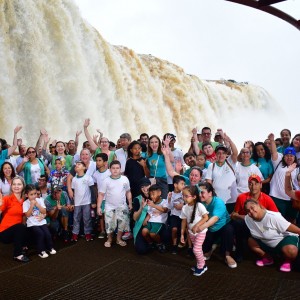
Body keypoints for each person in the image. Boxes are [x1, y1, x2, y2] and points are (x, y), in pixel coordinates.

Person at [231, 174, 279, 262]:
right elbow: (234, 214)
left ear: (261, 185)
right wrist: (237, 216)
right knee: (237, 224)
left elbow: (276, 215)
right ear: (248, 185)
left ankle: (267, 252)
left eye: (256, 183)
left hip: (261, 226)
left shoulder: (267, 198)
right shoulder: (241, 197)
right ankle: (239, 252)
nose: (253, 186)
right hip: (245, 225)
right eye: (250, 184)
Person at [244, 199, 300, 272]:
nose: (251, 211)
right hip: (267, 241)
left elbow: (294, 229)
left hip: (283, 239)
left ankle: (287, 261)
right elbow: (263, 228)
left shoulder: (273, 217)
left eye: (252, 207)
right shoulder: (248, 218)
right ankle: (267, 258)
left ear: (259, 205)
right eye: (248, 210)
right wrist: (236, 215)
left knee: (291, 251)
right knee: (251, 241)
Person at [197, 182, 237, 268]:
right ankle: (211, 248)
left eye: (202, 192)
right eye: (199, 192)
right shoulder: (200, 203)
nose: (200, 195)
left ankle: (227, 255)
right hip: (210, 229)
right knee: (204, 249)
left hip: (223, 226)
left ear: (210, 193)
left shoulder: (218, 202)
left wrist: (201, 227)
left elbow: (215, 218)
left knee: (228, 229)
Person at [97, 160, 132, 247]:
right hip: (109, 206)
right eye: (113, 168)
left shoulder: (125, 179)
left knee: (122, 223)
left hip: (122, 206)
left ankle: (118, 239)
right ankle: (109, 239)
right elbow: (101, 194)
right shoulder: (106, 181)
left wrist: (130, 203)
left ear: (120, 169)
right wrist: (98, 207)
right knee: (109, 224)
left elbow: (128, 192)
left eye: (117, 168)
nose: (115, 170)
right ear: (109, 169)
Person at [268, 133, 299, 222]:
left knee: (289, 221)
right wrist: (272, 140)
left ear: (294, 157)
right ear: (284, 156)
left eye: (292, 156)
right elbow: (274, 152)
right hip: (276, 198)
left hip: (290, 200)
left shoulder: (296, 168)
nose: (289, 158)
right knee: (276, 221)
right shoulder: (278, 162)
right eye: (287, 156)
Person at [180, 185, 209, 276]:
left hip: (201, 232)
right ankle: (200, 265)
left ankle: (201, 266)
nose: (184, 198)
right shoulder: (185, 207)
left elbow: (206, 217)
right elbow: (184, 221)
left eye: (186, 196)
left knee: (196, 250)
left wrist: (197, 226)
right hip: (191, 233)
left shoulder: (199, 205)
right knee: (198, 249)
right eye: (183, 195)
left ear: (194, 196)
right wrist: (182, 234)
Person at [0, 176, 29, 262]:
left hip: (17, 231)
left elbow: (25, 217)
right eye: (14, 184)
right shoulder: (6, 199)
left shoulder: (24, 201)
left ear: (23, 186)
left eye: (19, 184)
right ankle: (17, 255)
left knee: (29, 228)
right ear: (11, 186)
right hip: (4, 233)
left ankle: (23, 245)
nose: (16, 186)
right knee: (20, 227)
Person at [206, 137, 238, 214]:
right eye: (219, 153)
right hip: (218, 200)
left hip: (232, 200)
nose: (221, 155)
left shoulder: (230, 162)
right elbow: (208, 182)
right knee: (219, 220)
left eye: (223, 153)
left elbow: (235, 153)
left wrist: (230, 141)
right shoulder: (211, 166)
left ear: (226, 154)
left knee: (231, 220)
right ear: (215, 154)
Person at [22, 184, 56, 258]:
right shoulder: (25, 203)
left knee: (47, 234)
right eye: (31, 194)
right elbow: (27, 215)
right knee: (40, 234)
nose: (34, 196)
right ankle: (41, 251)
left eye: (35, 194)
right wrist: (31, 206)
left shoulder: (40, 200)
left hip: (41, 221)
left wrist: (37, 204)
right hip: (32, 223)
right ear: (26, 195)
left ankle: (50, 248)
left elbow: (44, 211)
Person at [71, 161, 95, 242]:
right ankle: (75, 234)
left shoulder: (88, 177)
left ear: (84, 168)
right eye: (76, 164)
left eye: (79, 164)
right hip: (77, 203)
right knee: (76, 218)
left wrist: (93, 201)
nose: (76, 165)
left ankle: (88, 234)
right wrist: (72, 203)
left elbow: (92, 190)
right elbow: (73, 192)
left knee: (87, 218)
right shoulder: (74, 179)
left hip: (86, 202)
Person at [141, 184, 169, 253]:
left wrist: (154, 205)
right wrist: (146, 219)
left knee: (152, 234)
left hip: (159, 222)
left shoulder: (164, 201)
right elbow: (150, 213)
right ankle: (151, 243)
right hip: (151, 221)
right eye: (150, 194)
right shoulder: (151, 203)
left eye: (153, 194)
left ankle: (160, 244)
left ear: (159, 193)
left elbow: (165, 210)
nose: (152, 196)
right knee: (144, 232)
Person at [93, 153, 111, 238]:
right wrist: (97, 197)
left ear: (105, 162)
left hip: (109, 198)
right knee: (101, 215)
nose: (97, 162)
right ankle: (102, 230)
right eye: (96, 160)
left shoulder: (109, 173)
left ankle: (109, 231)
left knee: (109, 215)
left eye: (100, 160)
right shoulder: (95, 174)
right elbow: (96, 186)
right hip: (101, 198)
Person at [132, 178, 151, 254]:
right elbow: (135, 218)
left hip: (154, 223)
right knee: (141, 250)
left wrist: (148, 217)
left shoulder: (156, 195)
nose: (145, 189)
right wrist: (141, 207)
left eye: (147, 186)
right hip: (141, 225)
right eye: (142, 187)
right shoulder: (137, 199)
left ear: (150, 185)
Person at [168, 175, 185, 254]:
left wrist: (183, 205)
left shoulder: (184, 193)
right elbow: (170, 207)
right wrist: (169, 199)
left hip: (183, 216)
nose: (183, 186)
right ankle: (174, 244)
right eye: (182, 184)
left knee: (184, 230)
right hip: (174, 215)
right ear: (175, 185)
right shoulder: (171, 194)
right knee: (174, 229)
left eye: (184, 184)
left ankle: (185, 244)